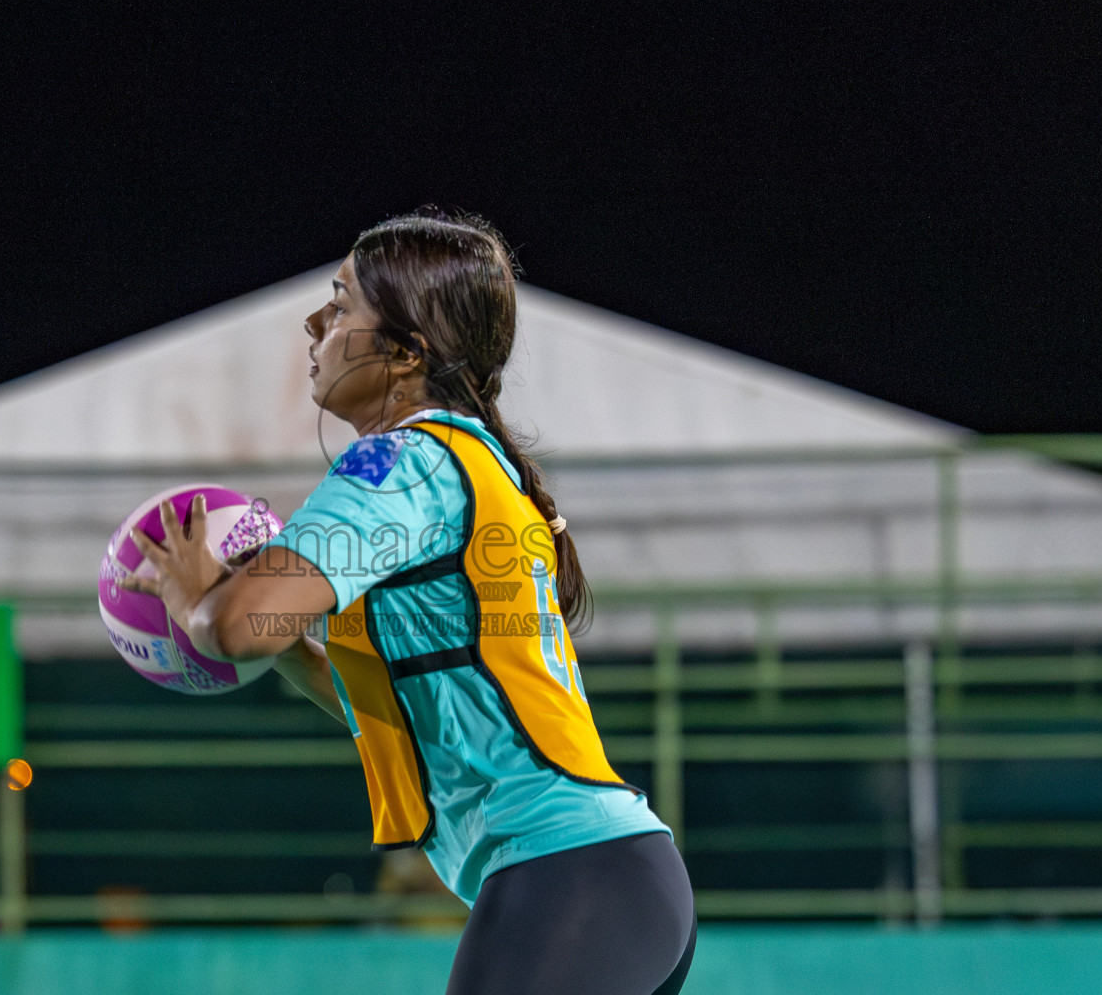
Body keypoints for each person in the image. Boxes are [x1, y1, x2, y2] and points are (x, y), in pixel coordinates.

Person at [125, 208, 695, 995]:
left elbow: (236, 628)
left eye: (341, 301)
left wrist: (198, 601)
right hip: (608, 881)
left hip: (571, 878)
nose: (314, 321)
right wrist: (291, 643)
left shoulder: (403, 463)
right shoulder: (457, 462)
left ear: (404, 352)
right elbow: (388, 697)